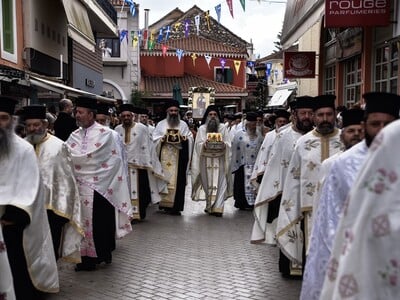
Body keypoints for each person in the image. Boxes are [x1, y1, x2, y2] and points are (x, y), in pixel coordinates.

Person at [302, 92, 400, 300]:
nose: (382, 131)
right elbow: (329, 221)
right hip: (358, 255)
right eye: (375, 124)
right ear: (366, 125)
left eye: (388, 125)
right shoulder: (343, 165)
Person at [276, 94, 343, 277]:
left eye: (329, 115)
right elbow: (293, 179)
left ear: (335, 114)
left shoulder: (345, 141)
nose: (325, 119)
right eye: (320, 115)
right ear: (314, 117)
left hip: (342, 211)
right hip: (310, 212)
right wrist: (291, 209)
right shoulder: (302, 144)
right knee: (312, 257)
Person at [65, 95, 133, 271]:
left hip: (101, 188)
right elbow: (66, 157)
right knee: (80, 223)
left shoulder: (108, 135)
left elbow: (116, 161)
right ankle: (82, 257)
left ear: (91, 114)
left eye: (80, 112)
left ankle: (101, 255)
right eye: (75, 112)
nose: (77, 115)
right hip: (79, 188)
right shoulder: (74, 136)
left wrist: (97, 174)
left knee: (100, 224)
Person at [0, 96, 59, 299]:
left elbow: (31, 188)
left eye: (4, 118)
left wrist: (12, 217)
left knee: (16, 272)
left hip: (12, 225)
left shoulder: (23, 149)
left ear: (11, 121)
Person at [23, 105, 84, 261]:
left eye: (36, 125)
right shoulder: (21, 146)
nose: (32, 128)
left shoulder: (58, 147)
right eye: (28, 125)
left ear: (45, 125)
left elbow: (67, 179)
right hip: (24, 210)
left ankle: (50, 281)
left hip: (51, 210)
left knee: (49, 249)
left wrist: (63, 210)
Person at [114, 104, 167, 221]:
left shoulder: (141, 128)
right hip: (122, 167)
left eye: (128, 115)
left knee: (141, 192)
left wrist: (149, 161)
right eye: (124, 116)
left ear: (133, 116)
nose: (126, 118)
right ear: (121, 117)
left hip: (139, 166)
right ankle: (126, 214)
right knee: (124, 191)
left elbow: (148, 146)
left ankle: (138, 214)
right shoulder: (117, 129)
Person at [153, 100, 193, 216]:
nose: (174, 112)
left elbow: (190, 138)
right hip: (163, 156)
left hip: (179, 157)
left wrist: (184, 138)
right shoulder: (160, 124)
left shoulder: (183, 125)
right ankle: (164, 204)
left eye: (176, 110)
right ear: (167, 111)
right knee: (164, 179)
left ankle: (176, 207)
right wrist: (162, 139)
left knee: (178, 182)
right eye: (171, 110)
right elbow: (154, 139)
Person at [191, 105, 231, 217]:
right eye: (210, 115)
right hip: (206, 160)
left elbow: (228, 143)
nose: (213, 117)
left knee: (221, 182)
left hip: (220, 159)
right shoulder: (202, 128)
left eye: (215, 115)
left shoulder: (223, 128)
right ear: (207, 116)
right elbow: (197, 144)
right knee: (207, 183)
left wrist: (224, 145)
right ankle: (209, 205)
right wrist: (203, 144)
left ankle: (218, 207)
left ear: (218, 116)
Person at [250, 108, 291, 188]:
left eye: (284, 122)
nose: (282, 124)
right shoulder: (269, 136)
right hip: (271, 169)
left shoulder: (291, 135)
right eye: (280, 121)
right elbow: (264, 153)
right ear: (276, 122)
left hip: (286, 169)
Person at [231, 112, 264, 210]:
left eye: (255, 124)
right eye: (252, 124)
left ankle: (253, 203)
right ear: (247, 123)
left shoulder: (259, 135)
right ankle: (242, 203)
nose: (254, 126)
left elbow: (262, 148)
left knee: (255, 183)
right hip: (243, 164)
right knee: (242, 184)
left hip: (256, 165)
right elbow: (234, 149)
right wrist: (236, 163)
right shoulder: (239, 134)